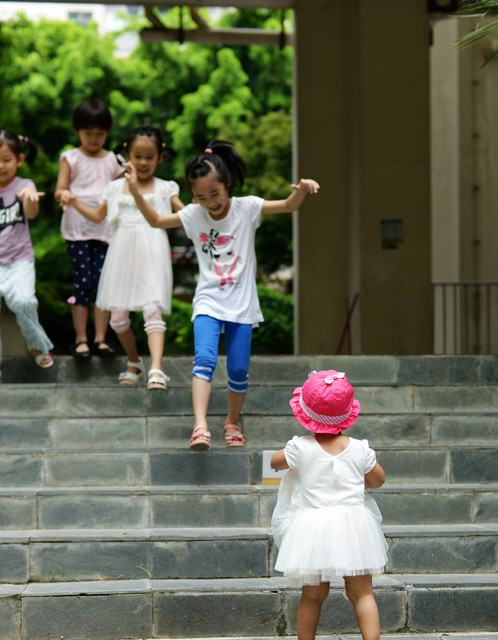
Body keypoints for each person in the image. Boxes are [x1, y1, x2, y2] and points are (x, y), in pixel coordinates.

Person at [126, 139, 319, 449]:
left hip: (241, 305)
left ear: (228, 183)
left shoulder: (248, 207)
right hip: (208, 301)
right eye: (201, 197)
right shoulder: (193, 214)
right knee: (204, 359)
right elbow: (156, 221)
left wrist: (301, 191)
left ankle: (231, 422)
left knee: (239, 369)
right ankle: (200, 427)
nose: (210, 203)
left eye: (215, 194)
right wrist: (136, 191)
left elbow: (286, 205)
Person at [270, 370, 395, 640]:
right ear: (347, 414)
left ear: (305, 414)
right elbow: (378, 480)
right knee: (362, 591)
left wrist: (291, 460)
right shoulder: (360, 449)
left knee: (313, 594)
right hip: (353, 527)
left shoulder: (299, 447)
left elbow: (275, 463)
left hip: (313, 528)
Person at [60, 125, 184, 389]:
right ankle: (134, 361)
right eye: (137, 156)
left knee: (153, 311)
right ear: (127, 155)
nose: (143, 162)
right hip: (121, 252)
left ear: (160, 158)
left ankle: (157, 369)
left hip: (152, 250)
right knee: (118, 319)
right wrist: (74, 203)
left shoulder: (165, 188)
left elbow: (184, 215)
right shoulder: (115, 187)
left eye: (149, 157)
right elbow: (97, 216)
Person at [54, 100, 123, 360]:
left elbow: (121, 190)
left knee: (103, 285)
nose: (94, 139)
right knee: (83, 283)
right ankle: (81, 339)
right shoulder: (70, 157)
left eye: (100, 134)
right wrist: (65, 196)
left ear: (107, 132)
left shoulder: (113, 161)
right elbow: (60, 189)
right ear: (77, 131)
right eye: (88, 133)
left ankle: (101, 339)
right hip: (78, 231)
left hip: (106, 231)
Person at [0, 129, 54, 379]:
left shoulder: (24, 185)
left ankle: (38, 345)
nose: (1, 166)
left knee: (22, 301)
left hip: (19, 260)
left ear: (19, 160)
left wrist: (30, 200)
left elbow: (31, 213)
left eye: (6, 160)